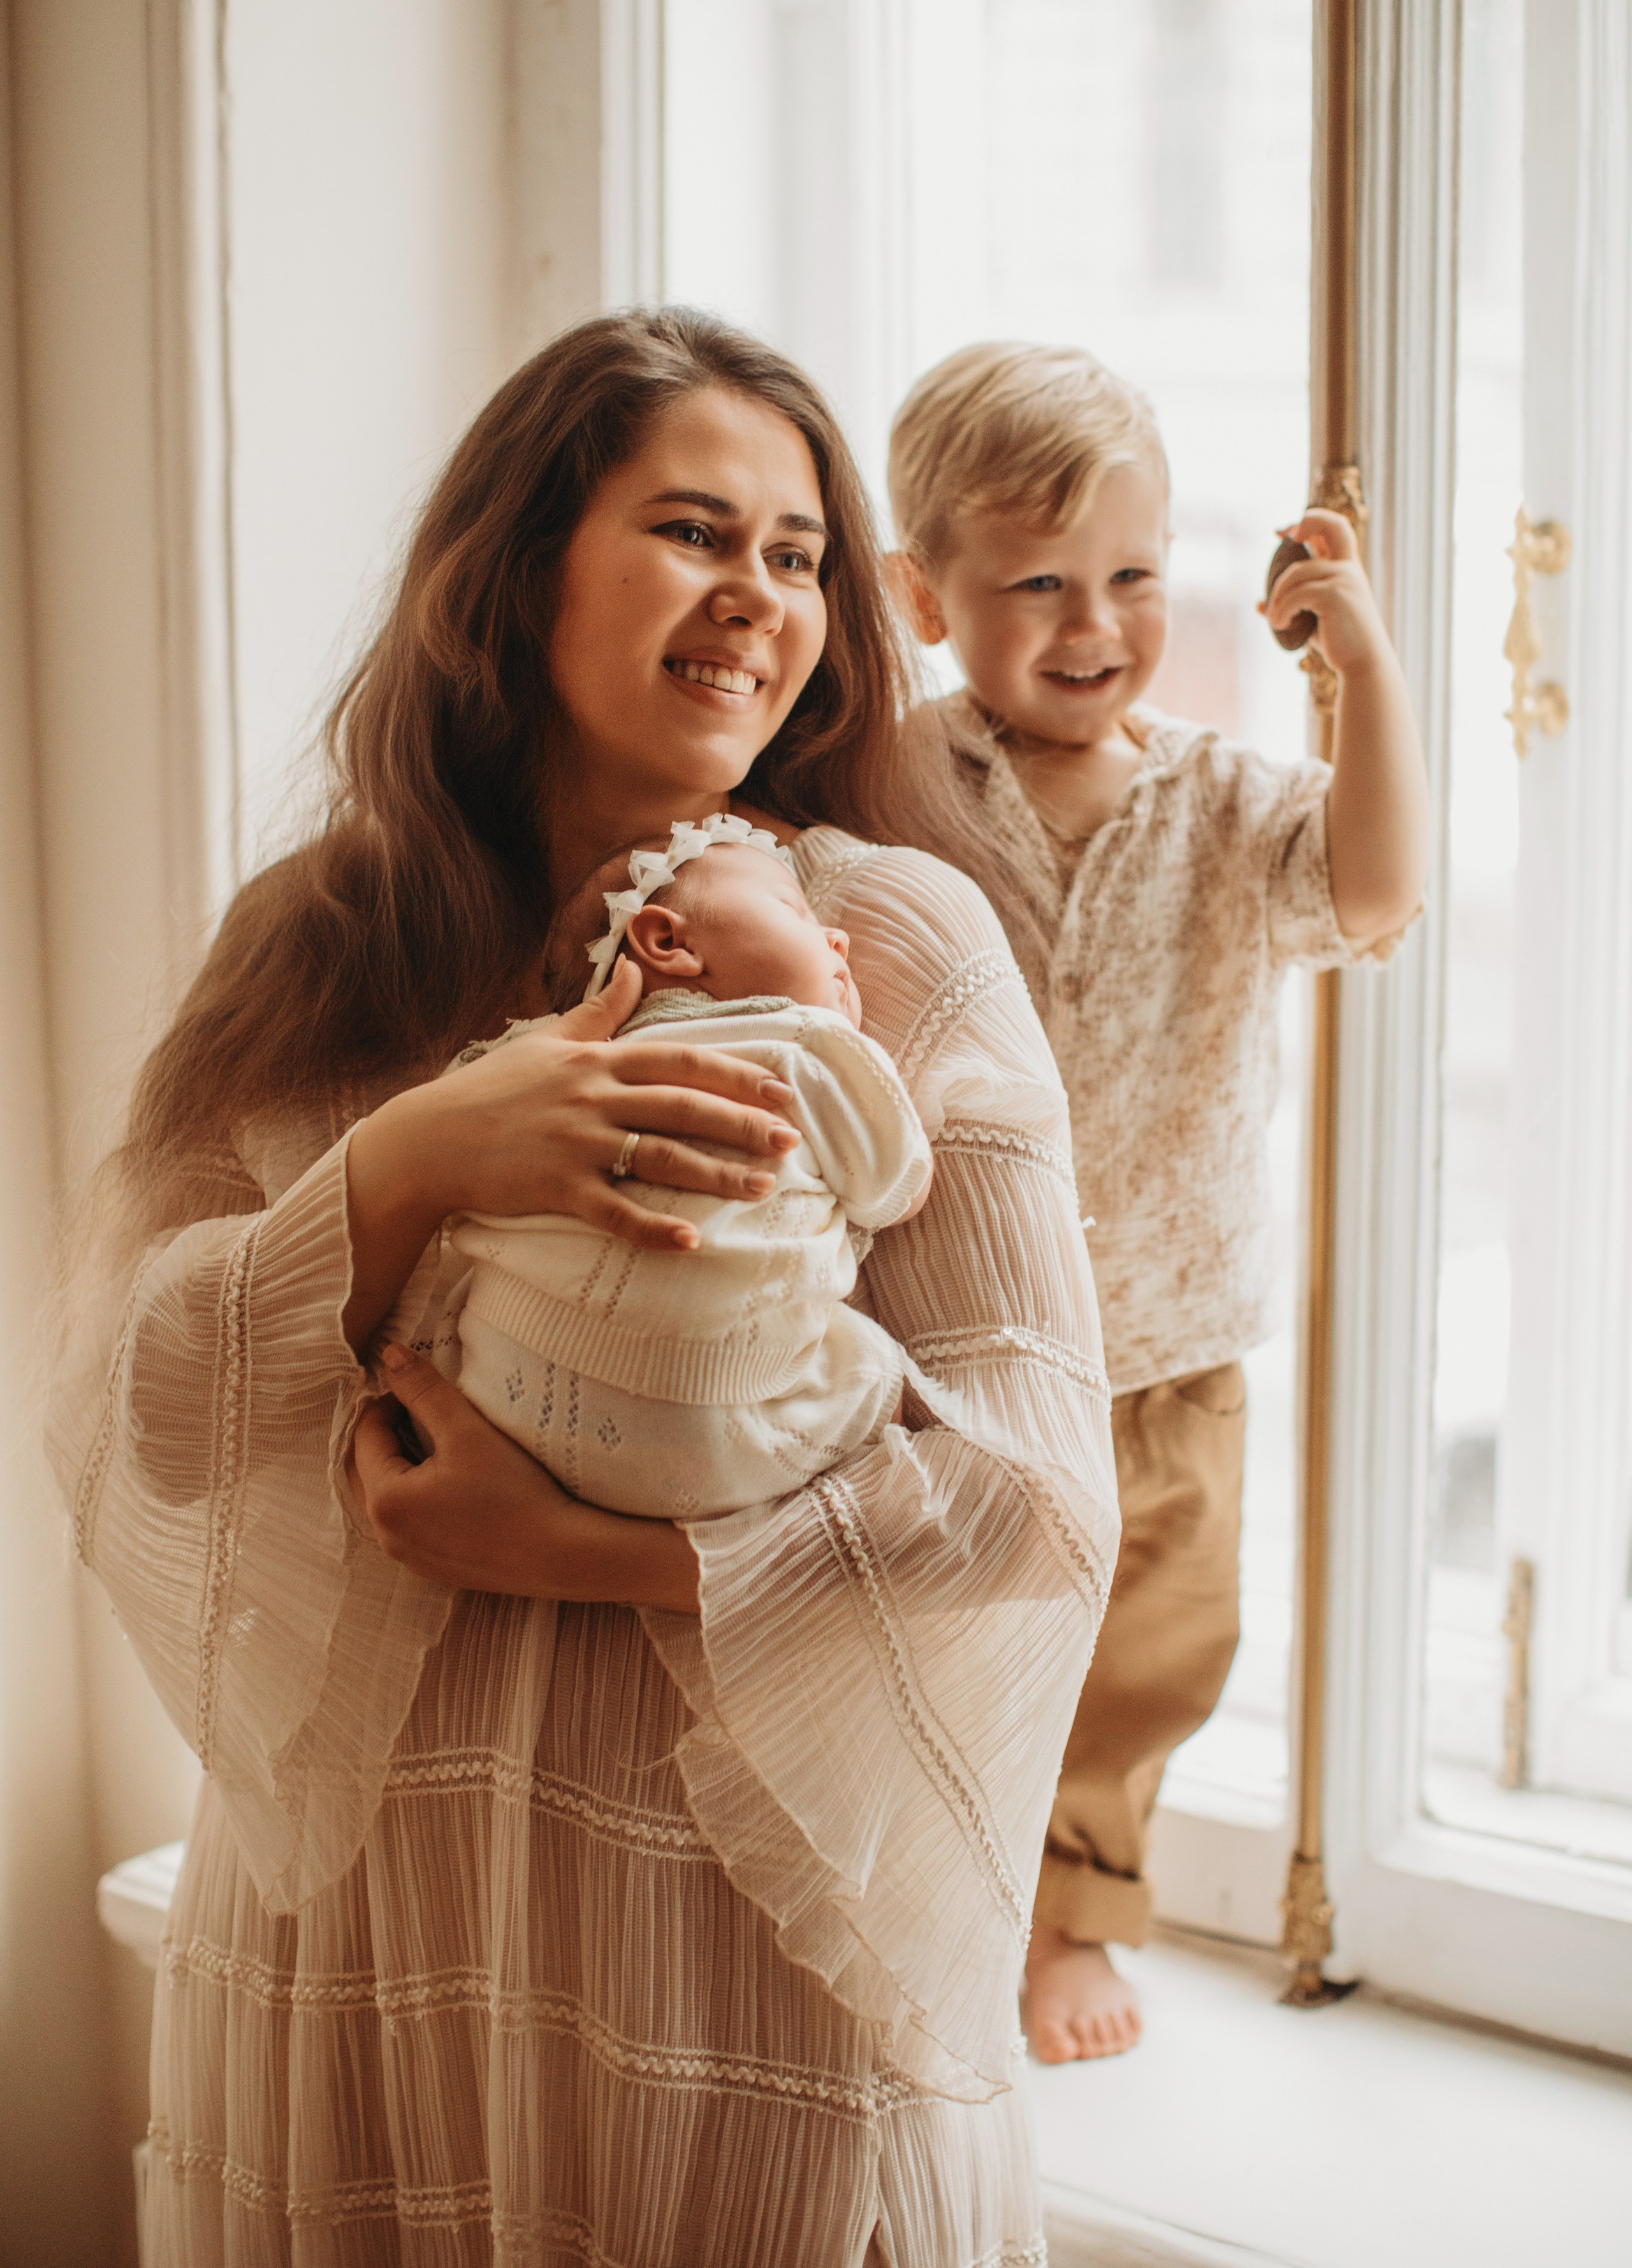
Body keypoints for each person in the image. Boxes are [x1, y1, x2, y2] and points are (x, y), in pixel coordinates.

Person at [49, 309, 1119, 2265]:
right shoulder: (321, 941)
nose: (758, 596)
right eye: (696, 530)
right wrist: (407, 1169)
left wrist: (572, 1541)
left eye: (796, 554)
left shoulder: (886, 937)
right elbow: (140, 1414)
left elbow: (1034, 1498)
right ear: (517, 570)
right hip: (358, 1945)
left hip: (733, 1956)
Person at [887, 340, 1426, 2066]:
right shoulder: (894, 785)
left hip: (1175, 1341)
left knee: (1152, 1653)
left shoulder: (1221, 800)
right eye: (1034, 583)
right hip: (948, 1331)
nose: (1089, 621)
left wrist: (1368, 665)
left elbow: (1380, 891)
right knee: (947, 1637)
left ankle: (1073, 1920)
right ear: (923, 594)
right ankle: (932, 1901)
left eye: (1128, 576)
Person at [437, 811, 933, 1519]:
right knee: (868, 1361)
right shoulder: (803, 1046)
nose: (838, 937)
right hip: (722, 1424)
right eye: (792, 909)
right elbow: (897, 1189)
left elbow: (453, 1122)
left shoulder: (537, 1060)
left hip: (503, 1396)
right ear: (668, 941)